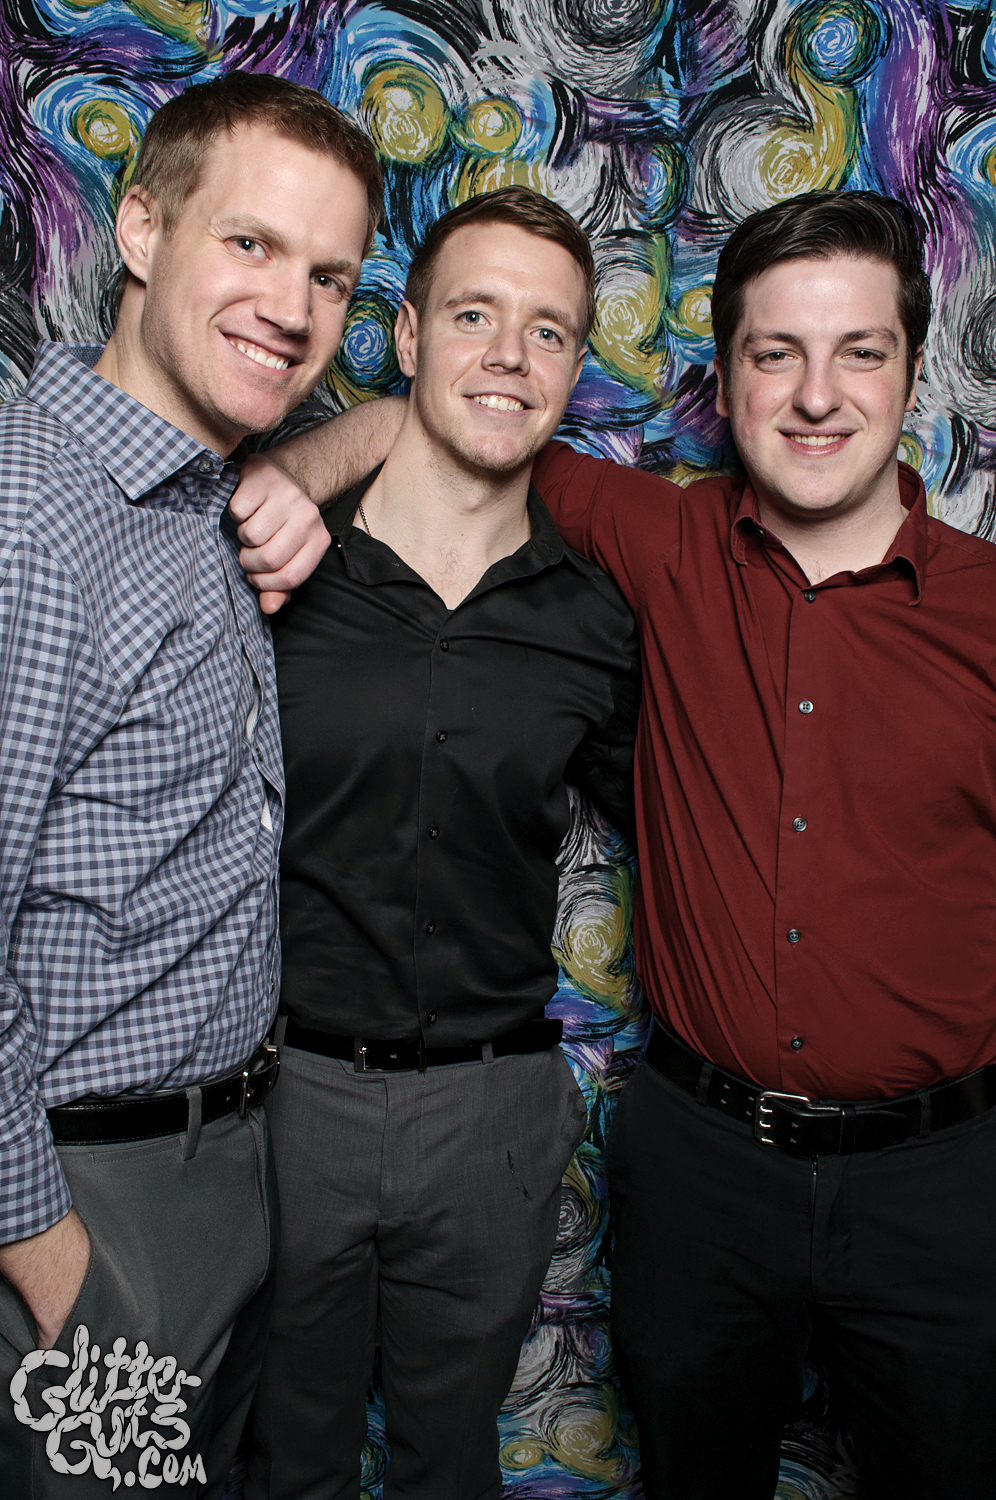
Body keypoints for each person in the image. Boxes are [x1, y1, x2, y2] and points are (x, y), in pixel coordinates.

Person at [236, 189, 996, 1500]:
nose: (818, 395)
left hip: (945, 1177)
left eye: (860, 352)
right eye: (776, 353)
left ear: (915, 372)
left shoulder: (983, 612)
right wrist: (290, 477)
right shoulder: (659, 538)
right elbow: (469, 422)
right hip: (703, 1172)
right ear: (728, 379)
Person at [0, 70, 391, 1498]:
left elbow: (411, 413)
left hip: (218, 1172)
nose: (291, 307)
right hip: (84, 1205)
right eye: (251, 243)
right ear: (141, 228)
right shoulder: (33, 517)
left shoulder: (191, 492)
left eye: (330, 276)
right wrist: (59, 1267)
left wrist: (318, 458)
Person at [242, 186, 640, 1500]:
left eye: (547, 331)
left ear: (574, 367)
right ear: (408, 336)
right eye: (475, 316)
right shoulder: (273, 566)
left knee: (450, 1465)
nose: (509, 357)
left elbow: (702, 823)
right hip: (286, 1097)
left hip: (492, 1115)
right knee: (284, 1457)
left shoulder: (596, 622)